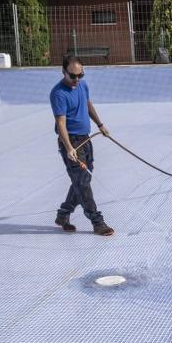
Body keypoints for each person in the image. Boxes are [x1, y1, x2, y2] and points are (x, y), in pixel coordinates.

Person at [51, 56, 114, 236]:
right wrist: (69, 147)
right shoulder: (58, 93)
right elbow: (61, 122)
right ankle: (97, 221)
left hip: (86, 139)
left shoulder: (82, 86)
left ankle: (63, 214)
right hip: (71, 142)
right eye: (73, 76)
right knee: (82, 183)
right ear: (63, 72)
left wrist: (100, 124)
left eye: (81, 75)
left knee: (82, 181)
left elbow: (87, 104)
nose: (77, 80)